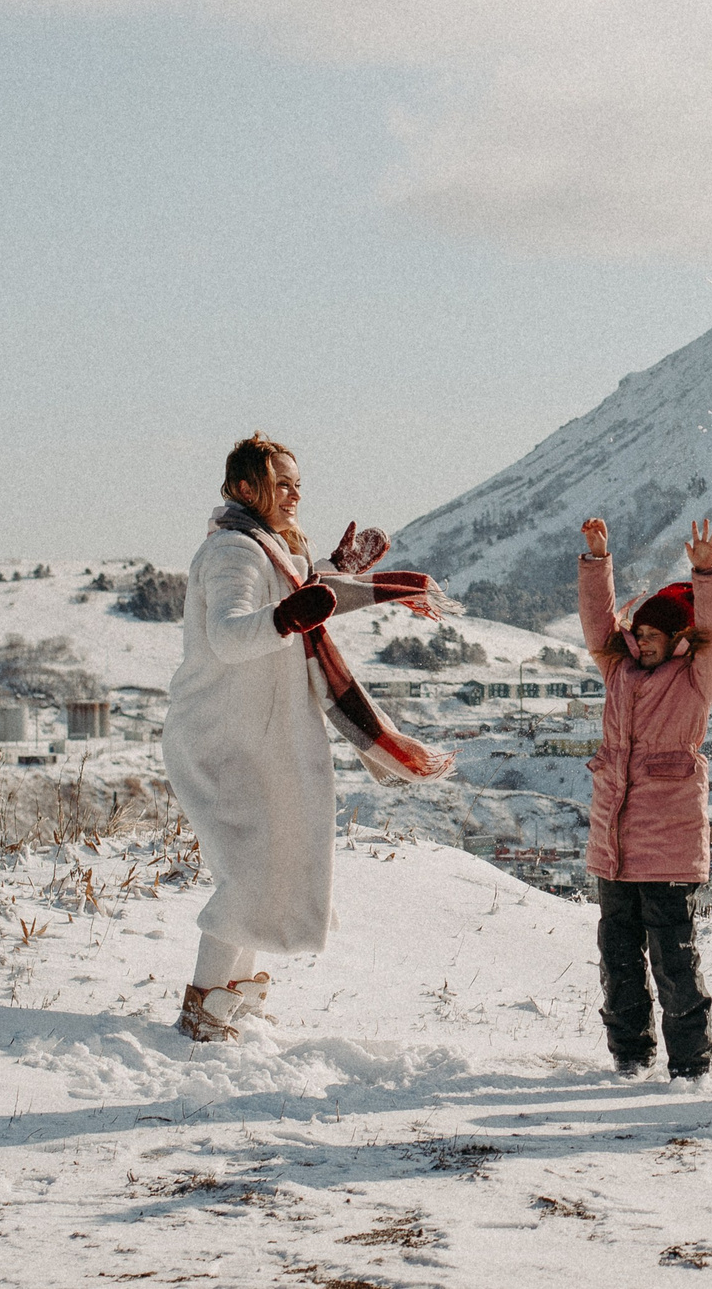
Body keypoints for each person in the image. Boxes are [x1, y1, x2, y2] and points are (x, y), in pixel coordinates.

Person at [163, 432, 458, 1043]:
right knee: (250, 871)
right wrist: (283, 618)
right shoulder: (232, 555)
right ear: (246, 488)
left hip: (261, 733)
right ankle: (204, 1007)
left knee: (272, 862)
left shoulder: (269, 549)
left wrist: (337, 575)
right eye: (283, 482)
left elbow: (301, 589)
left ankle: (231, 995)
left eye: (298, 482)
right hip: (222, 737)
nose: (296, 493)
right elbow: (229, 635)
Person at [578, 513, 712, 1079]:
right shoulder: (618, 672)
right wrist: (598, 560)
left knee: (675, 963)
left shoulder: (696, 681)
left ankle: (690, 1066)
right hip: (614, 848)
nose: (638, 639)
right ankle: (629, 1058)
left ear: (678, 639)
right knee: (617, 962)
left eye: (651, 633)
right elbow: (599, 627)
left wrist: (707, 574)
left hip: (668, 851)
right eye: (637, 632)